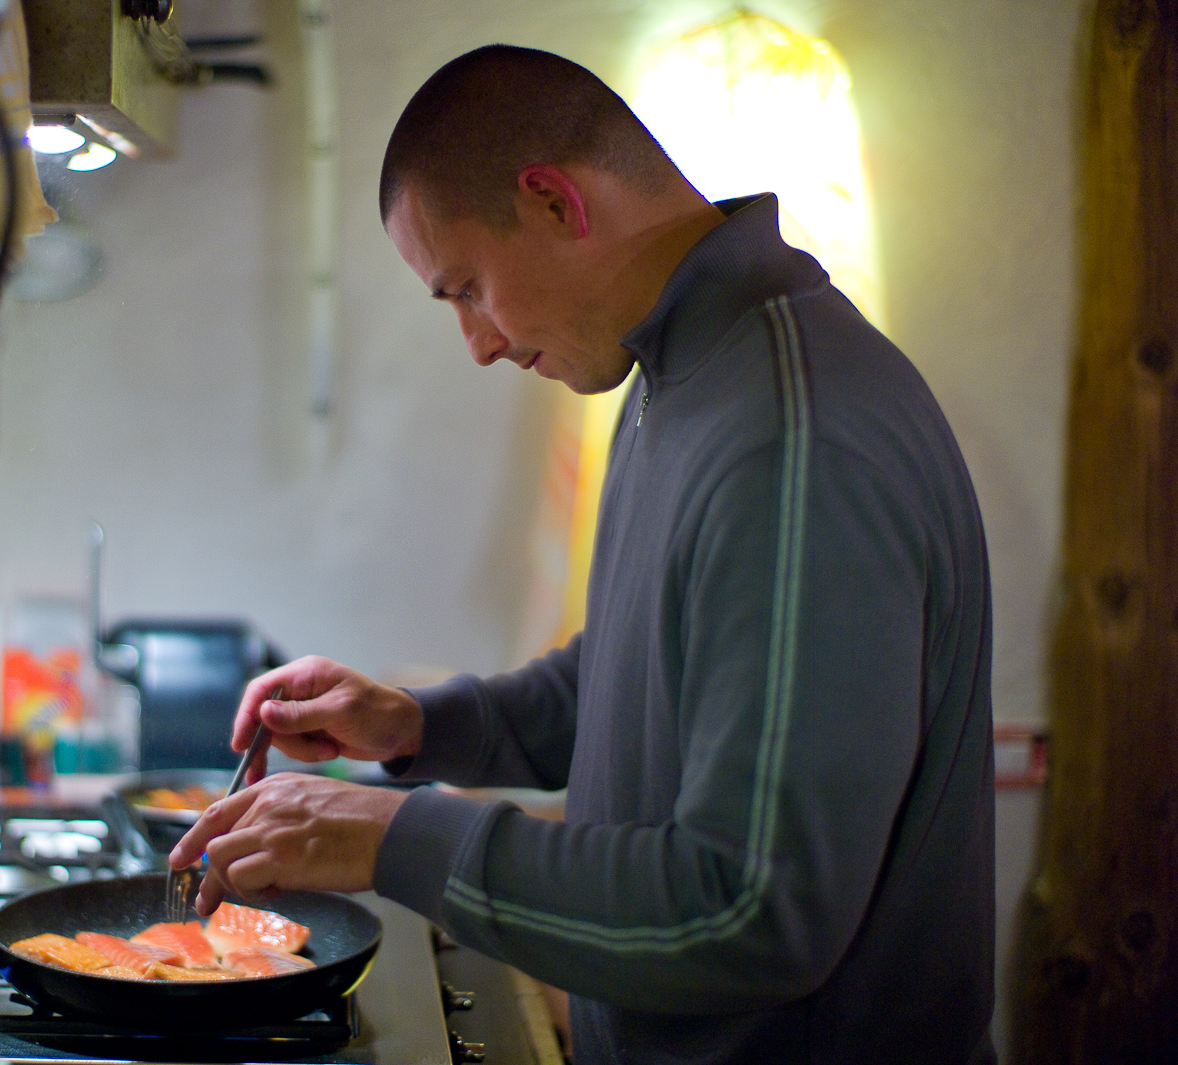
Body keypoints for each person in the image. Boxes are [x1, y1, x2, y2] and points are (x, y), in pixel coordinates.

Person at [170, 45, 995, 1065]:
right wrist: (420, 726)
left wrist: (392, 838)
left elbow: (752, 913)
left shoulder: (792, 438)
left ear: (554, 202)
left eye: (466, 287)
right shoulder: (677, 378)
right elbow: (637, 673)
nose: (476, 342)